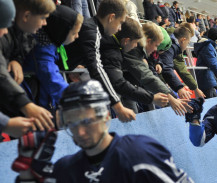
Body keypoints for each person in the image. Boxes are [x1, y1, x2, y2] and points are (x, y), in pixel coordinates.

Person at [14, 80, 194, 183]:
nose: (81, 132)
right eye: (73, 123)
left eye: (87, 121)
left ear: (106, 116)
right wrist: (27, 174)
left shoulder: (139, 154)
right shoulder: (65, 169)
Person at [63, 0, 136, 122]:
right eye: (120, 23)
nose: (120, 29)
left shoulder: (94, 29)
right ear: (111, 17)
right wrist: (118, 106)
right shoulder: (92, 31)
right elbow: (96, 68)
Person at [0, 0, 56, 131]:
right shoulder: (4, 31)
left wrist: (16, 60)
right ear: (26, 16)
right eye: (43, 18)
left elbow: (19, 48)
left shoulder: (25, 33)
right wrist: (26, 105)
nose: (45, 23)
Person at [100, 18, 168, 113]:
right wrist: (153, 98)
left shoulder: (133, 51)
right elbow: (144, 77)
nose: (136, 45)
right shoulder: (122, 52)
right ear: (126, 41)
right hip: (117, 91)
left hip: (127, 89)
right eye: (156, 45)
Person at [23, 5, 83, 111]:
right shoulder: (43, 50)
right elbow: (52, 78)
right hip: (33, 100)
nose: (77, 36)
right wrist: (76, 100)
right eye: (74, 33)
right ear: (61, 32)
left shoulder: (51, 43)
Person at [193, 28, 217, 98]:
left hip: (207, 78)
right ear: (216, 39)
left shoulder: (208, 46)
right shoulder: (208, 47)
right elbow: (212, 64)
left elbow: (208, 60)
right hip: (207, 79)